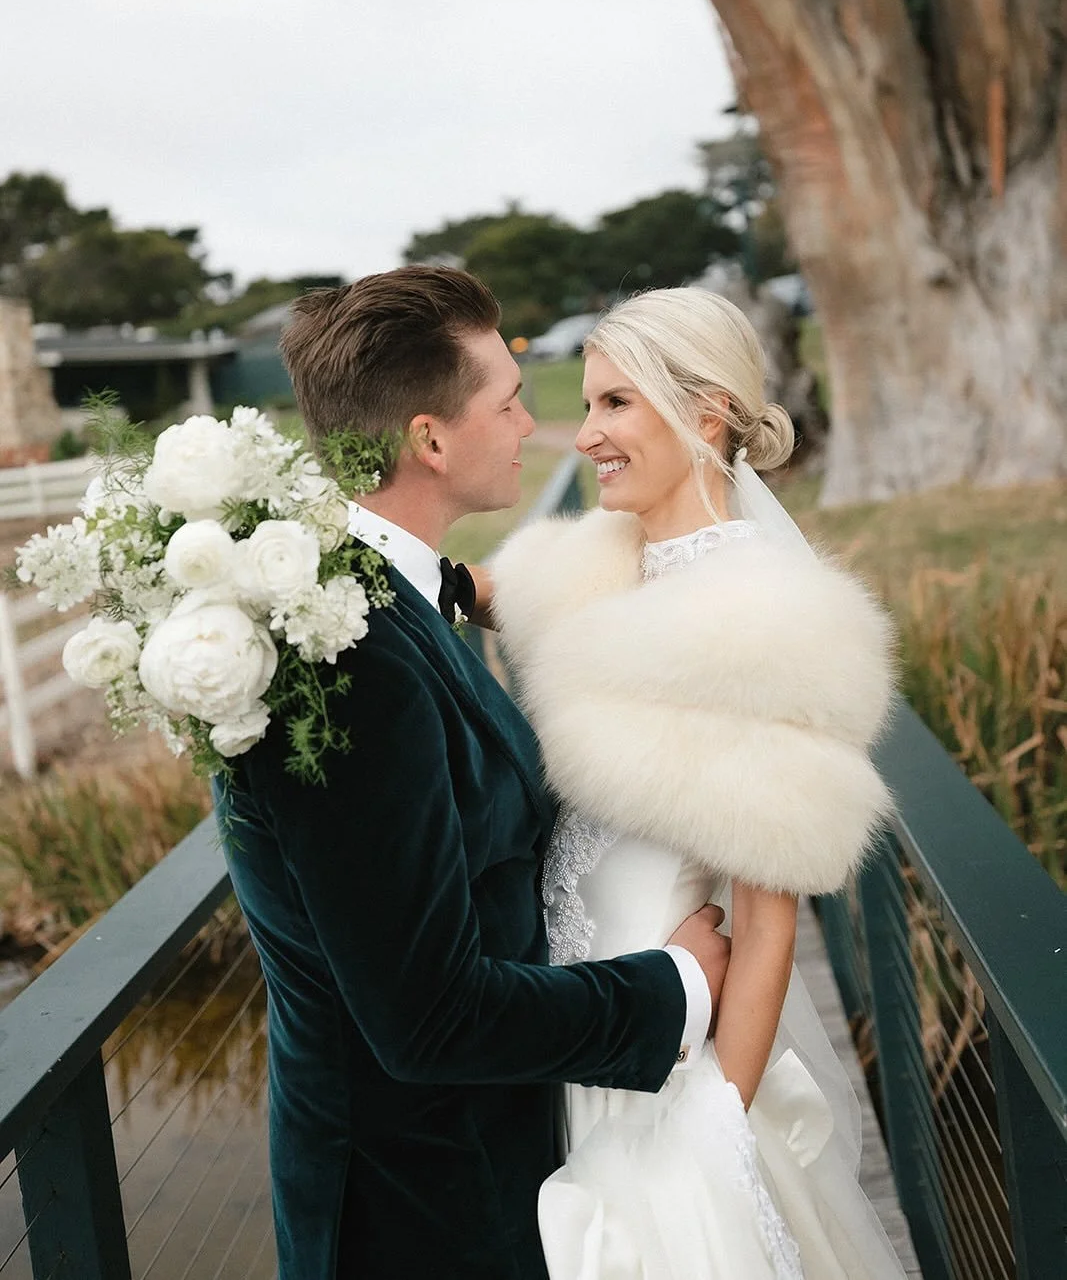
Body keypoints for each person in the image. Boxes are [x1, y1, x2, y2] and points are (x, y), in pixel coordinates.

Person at [212, 267, 732, 1280]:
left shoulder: (380, 595)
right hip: (414, 1211)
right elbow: (427, 1016)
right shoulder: (344, 655)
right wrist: (676, 990)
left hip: (468, 1162)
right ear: (431, 441)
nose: (536, 429)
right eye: (507, 401)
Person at [489, 287, 908, 1278]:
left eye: (613, 405)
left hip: (678, 1066)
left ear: (705, 411)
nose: (584, 434)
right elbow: (491, 595)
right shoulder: (594, 573)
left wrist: (718, 1122)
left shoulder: (763, 625)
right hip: (576, 1029)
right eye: (586, 405)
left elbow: (765, 925)